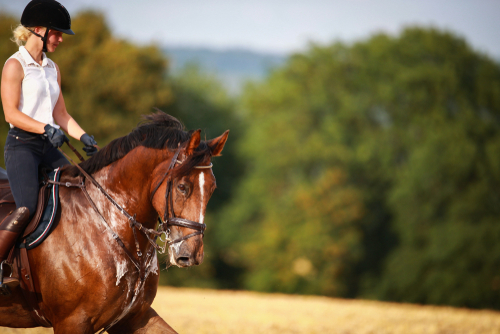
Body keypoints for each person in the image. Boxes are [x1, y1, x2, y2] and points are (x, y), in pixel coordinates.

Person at [0, 0, 97, 287]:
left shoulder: (52, 68)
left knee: (82, 191)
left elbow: (61, 115)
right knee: (27, 206)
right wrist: (44, 128)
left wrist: (84, 136)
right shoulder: (15, 66)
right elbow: (11, 113)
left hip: (48, 145)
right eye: (57, 33)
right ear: (38, 30)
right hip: (22, 146)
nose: (60, 39)